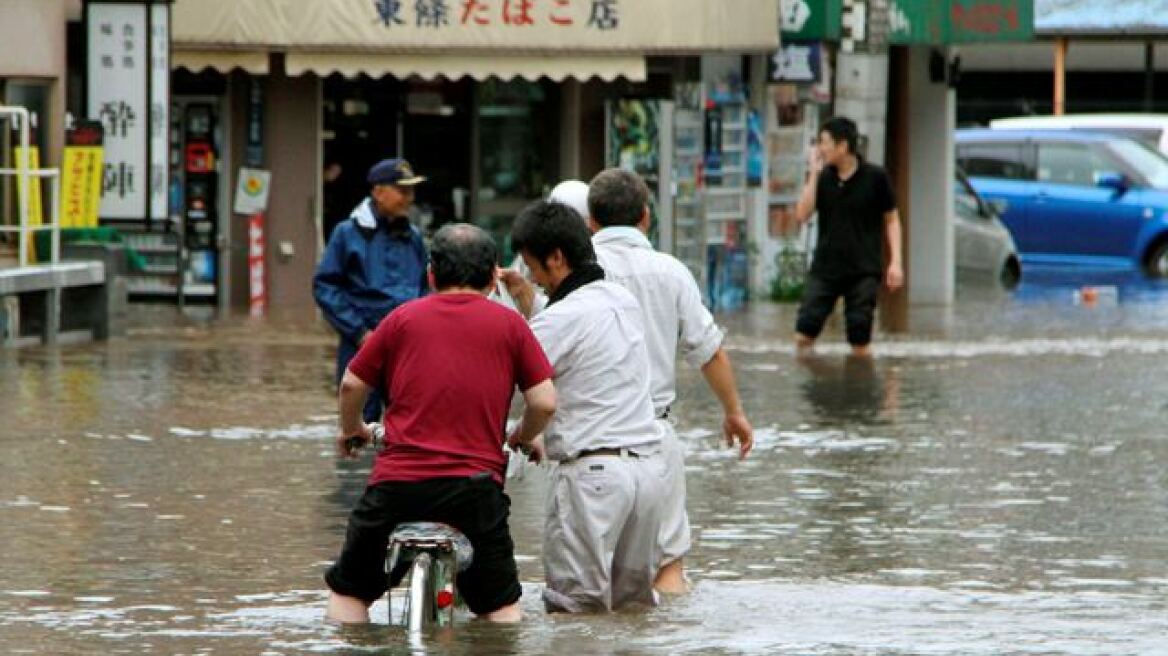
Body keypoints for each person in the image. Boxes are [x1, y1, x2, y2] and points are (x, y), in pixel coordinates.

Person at [324, 223, 557, 624]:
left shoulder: (401, 319)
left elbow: (351, 385)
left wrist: (353, 429)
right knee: (500, 609)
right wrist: (524, 435)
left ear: (431, 274)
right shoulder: (511, 325)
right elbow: (544, 402)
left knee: (350, 594)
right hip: (476, 492)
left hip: (397, 489)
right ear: (491, 278)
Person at [586, 169, 754, 595]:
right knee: (669, 572)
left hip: (589, 442)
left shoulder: (578, 271)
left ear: (591, 220)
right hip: (654, 437)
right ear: (646, 217)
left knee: (586, 583)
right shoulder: (671, 272)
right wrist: (734, 412)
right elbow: (708, 350)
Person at [504, 201, 668, 613]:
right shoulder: (622, 299)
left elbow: (524, 388)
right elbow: (586, 355)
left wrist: (523, 435)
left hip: (592, 478)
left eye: (532, 267)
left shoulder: (556, 321)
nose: (532, 279)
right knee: (635, 611)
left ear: (556, 257)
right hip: (648, 474)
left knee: (575, 613)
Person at [313, 158, 430, 423]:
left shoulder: (413, 237)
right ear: (378, 192)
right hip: (361, 343)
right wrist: (360, 332)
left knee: (411, 421)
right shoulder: (347, 234)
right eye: (402, 190)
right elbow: (325, 286)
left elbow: (425, 288)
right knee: (358, 423)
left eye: (411, 191)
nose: (409, 198)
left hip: (406, 346)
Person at [792, 116, 904, 357]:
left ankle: (861, 388)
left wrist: (896, 262)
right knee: (804, 333)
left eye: (824, 142)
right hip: (825, 268)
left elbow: (892, 220)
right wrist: (813, 173)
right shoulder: (823, 178)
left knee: (859, 337)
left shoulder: (876, 177)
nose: (820, 148)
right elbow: (801, 214)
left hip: (863, 269)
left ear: (842, 146)